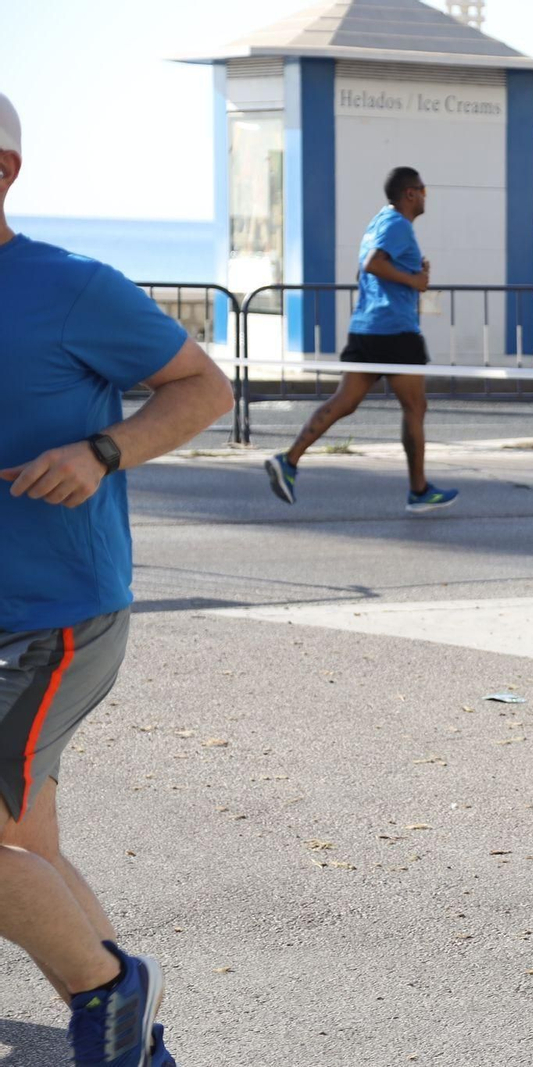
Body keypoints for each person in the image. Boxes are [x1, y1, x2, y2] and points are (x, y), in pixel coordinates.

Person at [0, 89, 233, 1066]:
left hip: (51, 615)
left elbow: (204, 386)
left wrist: (102, 449)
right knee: (30, 851)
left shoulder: (72, 287)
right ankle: (138, 1042)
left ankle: (111, 992)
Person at [263, 167, 458, 514]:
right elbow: (372, 265)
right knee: (415, 408)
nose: (427, 196)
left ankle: (288, 460)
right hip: (395, 331)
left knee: (344, 402)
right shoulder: (397, 224)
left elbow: (365, 270)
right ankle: (419, 491)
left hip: (366, 327)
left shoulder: (378, 223)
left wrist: (413, 277)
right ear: (410, 193)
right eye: (424, 190)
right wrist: (414, 283)